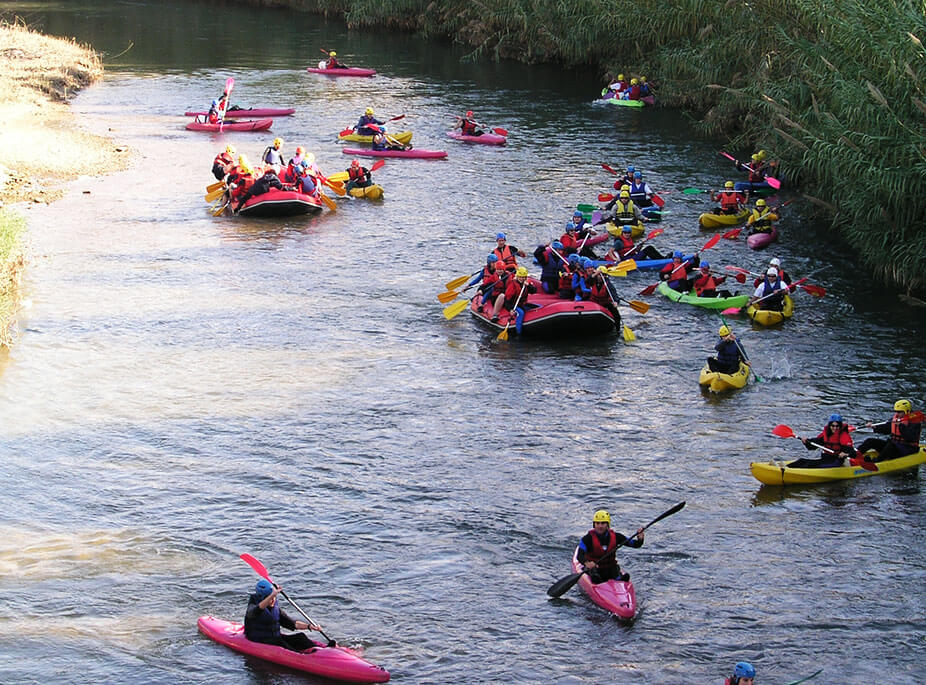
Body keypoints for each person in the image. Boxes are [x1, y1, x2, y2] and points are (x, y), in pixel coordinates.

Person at [244, 579, 323, 651]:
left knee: (300, 637)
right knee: (280, 642)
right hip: (258, 639)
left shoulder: (276, 610)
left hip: (275, 639)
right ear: (263, 598)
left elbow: (292, 624)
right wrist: (272, 595)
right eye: (270, 598)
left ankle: (321, 651)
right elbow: (257, 610)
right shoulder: (252, 607)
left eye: (275, 597)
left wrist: (309, 626)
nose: (273, 600)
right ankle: (300, 656)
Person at [576, 510, 644, 583]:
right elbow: (579, 555)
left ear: (607, 525)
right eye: (597, 523)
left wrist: (640, 539)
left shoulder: (616, 537)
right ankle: (597, 581)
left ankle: (619, 579)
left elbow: (635, 544)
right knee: (595, 575)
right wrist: (587, 563)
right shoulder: (587, 539)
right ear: (594, 524)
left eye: (603, 523)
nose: (600, 526)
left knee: (614, 569)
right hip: (594, 569)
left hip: (611, 568)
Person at [854, 399, 923, 464]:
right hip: (895, 447)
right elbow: (886, 429)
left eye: (899, 412)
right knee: (870, 441)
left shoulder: (915, 422)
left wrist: (901, 426)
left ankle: (875, 462)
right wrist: (874, 427)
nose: (897, 414)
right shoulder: (897, 419)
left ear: (907, 411)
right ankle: (853, 455)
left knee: (891, 445)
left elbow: (910, 438)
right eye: (896, 411)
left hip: (907, 450)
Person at [787, 414, 857, 468]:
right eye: (833, 426)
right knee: (802, 461)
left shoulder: (843, 436)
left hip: (836, 461)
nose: (835, 428)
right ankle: (786, 467)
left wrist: (846, 454)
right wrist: (806, 441)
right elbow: (814, 444)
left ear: (840, 426)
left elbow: (852, 452)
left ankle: (788, 471)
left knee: (809, 465)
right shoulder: (826, 434)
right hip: (826, 459)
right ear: (829, 426)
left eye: (837, 426)